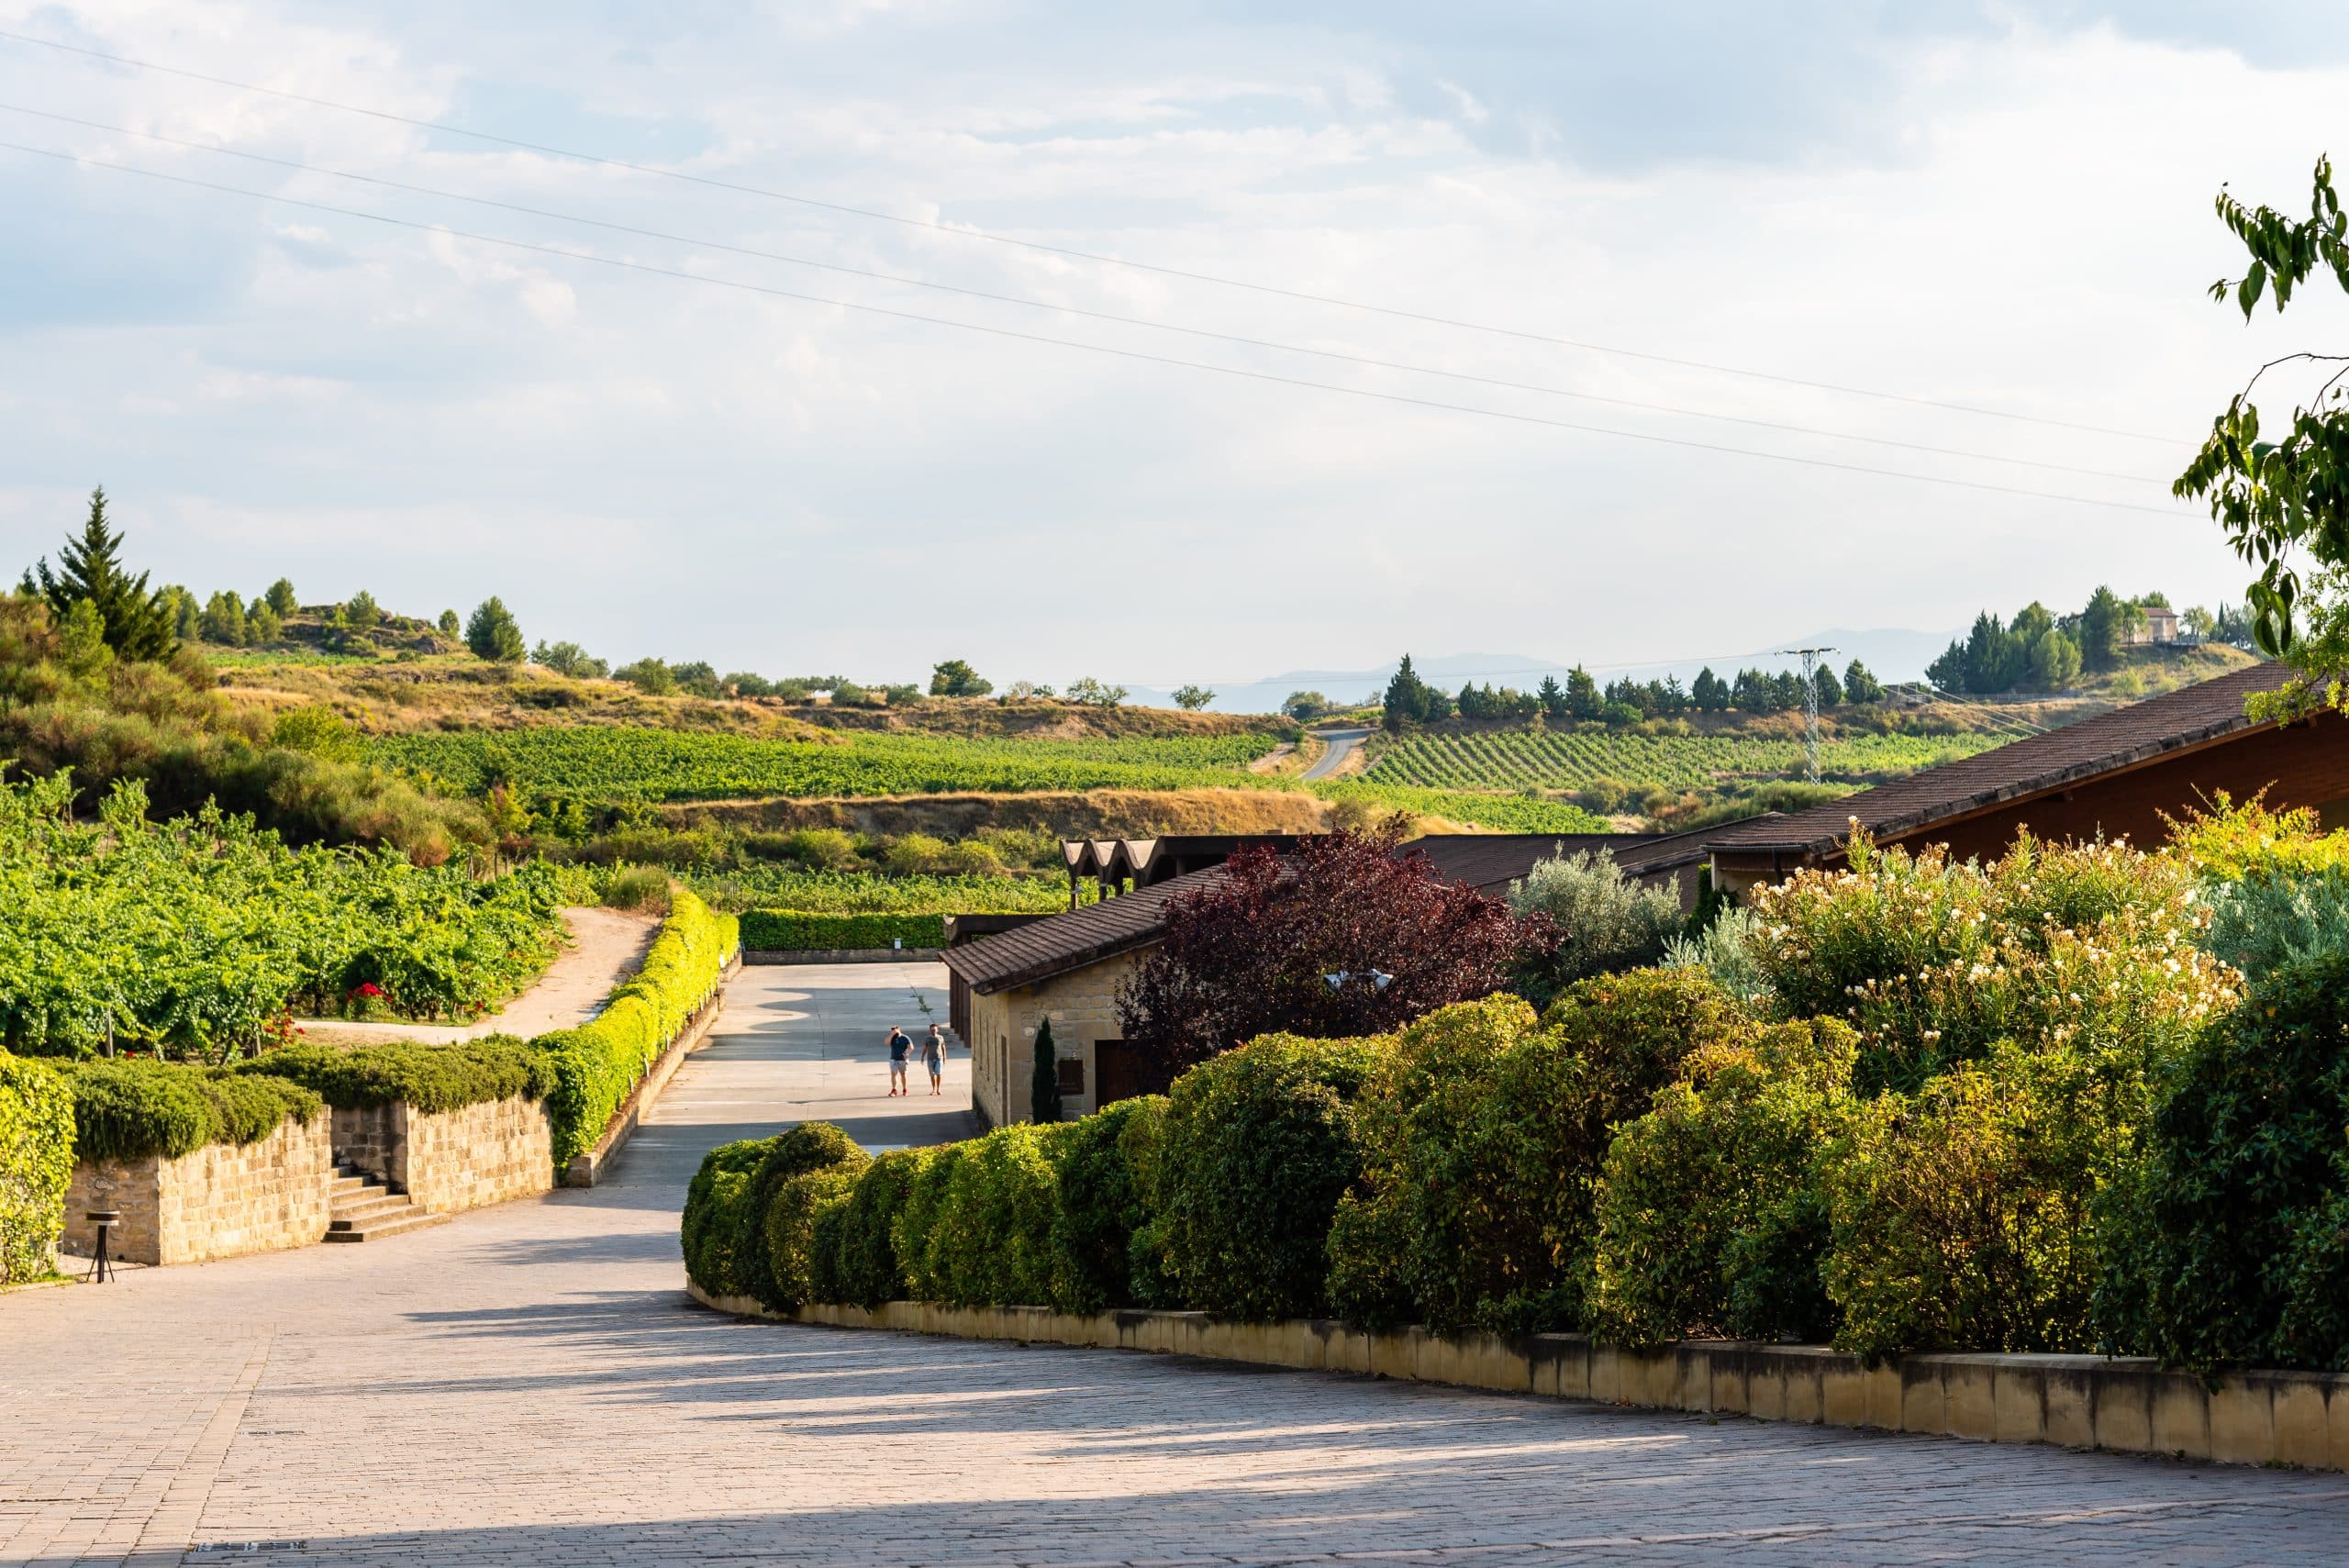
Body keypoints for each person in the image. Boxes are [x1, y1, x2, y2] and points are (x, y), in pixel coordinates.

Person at [921, 1023, 947, 1095]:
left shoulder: (941, 1037)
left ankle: (938, 1089)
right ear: (930, 1030)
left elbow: (943, 1047)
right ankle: (934, 1089)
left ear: (937, 1030)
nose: (933, 1031)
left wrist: (945, 1057)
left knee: (939, 1074)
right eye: (932, 1030)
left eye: (935, 1030)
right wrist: (922, 1057)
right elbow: (925, 1048)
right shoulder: (927, 1038)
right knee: (932, 1075)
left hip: (939, 1058)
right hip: (930, 1058)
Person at [885, 1026, 911, 1096]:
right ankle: (894, 1090)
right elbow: (886, 1043)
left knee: (903, 1074)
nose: (894, 1030)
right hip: (893, 1058)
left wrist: (907, 1054)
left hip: (902, 1059)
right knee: (893, 1074)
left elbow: (911, 1047)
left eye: (895, 1029)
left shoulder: (905, 1037)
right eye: (892, 1030)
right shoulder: (892, 1038)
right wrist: (891, 1034)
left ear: (899, 1029)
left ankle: (904, 1089)